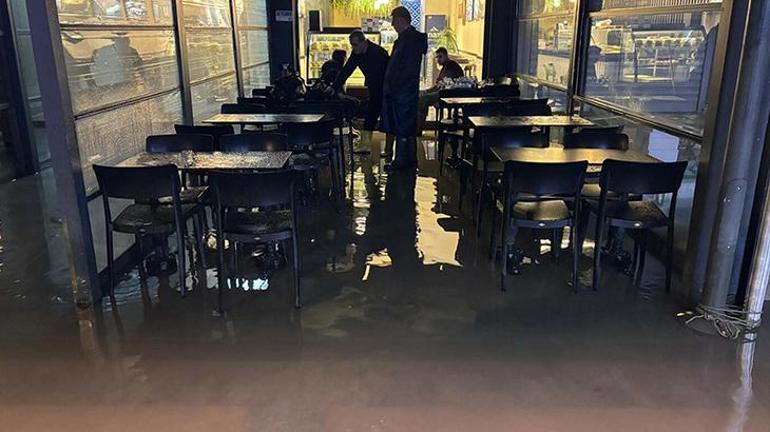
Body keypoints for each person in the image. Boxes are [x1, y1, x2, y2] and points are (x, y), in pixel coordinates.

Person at [380, 6, 428, 170]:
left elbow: (407, 69)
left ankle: (402, 160)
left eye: (393, 21)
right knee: (403, 125)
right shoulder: (407, 39)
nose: (392, 24)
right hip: (402, 91)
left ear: (401, 20)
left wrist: (394, 86)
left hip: (403, 92)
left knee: (402, 125)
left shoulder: (409, 40)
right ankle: (407, 160)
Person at [333, 31, 390, 155]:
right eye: (351, 45)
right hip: (374, 87)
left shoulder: (378, 53)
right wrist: (335, 86)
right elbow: (347, 70)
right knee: (371, 114)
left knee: (385, 116)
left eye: (355, 44)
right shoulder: (356, 53)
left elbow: (385, 74)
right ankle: (366, 145)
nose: (353, 47)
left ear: (363, 42)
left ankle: (388, 149)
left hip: (387, 87)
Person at [416, 47, 465, 135]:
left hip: (448, 95)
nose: (438, 59)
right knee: (420, 95)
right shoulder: (445, 66)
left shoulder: (451, 65)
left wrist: (427, 92)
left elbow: (443, 86)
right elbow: (438, 85)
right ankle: (417, 126)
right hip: (443, 93)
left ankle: (418, 129)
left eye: (440, 57)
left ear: (446, 56)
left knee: (422, 99)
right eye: (437, 57)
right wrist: (426, 91)